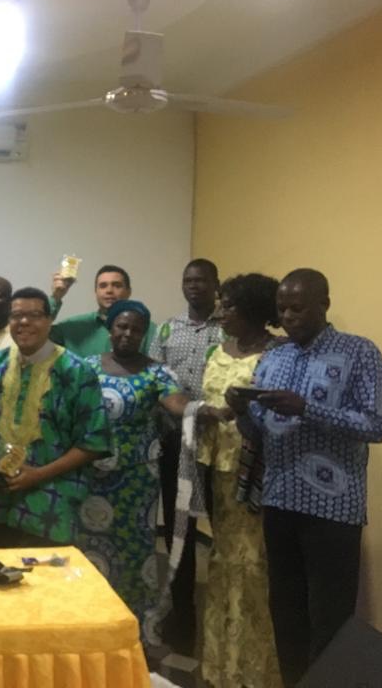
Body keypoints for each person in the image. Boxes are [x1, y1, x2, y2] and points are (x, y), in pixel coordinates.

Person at [228, 268, 382, 686]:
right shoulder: (275, 357)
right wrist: (245, 411)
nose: (288, 316)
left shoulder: (360, 353)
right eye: (281, 309)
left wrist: (307, 408)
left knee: (330, 619)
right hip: (279, 500)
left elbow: (375, 425)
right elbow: (260, 432)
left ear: (324, 305)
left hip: (333, 508)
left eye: (297, 308)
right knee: (287, 613)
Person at [76, 300, 188, 643]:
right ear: (110, 329)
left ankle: (132, 626)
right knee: (87, 546)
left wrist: (206, 410)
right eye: (121, 327)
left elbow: (178, 405)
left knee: (134, 549)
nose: (127, 334)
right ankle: (87, 621)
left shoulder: (157, 372)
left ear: (144, 334)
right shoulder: (86, 367)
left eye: (136, 329)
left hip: (137, 482)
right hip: (91, 478)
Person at [0, 286, 111, 549]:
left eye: (33, 315)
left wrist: (39, 474)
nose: (24, 322)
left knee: (44, 584)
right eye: (16, 315)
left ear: (49, 320)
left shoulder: (76, 372)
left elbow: (94, 442)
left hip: (50, 503)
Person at [196, 274, 281, 688]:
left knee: (254, 567)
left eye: (228, 306)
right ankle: (221, 664)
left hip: (258, 473)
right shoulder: (217, 350)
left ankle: (254, 669)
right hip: (218, 470)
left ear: (252, 310)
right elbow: (203, 400)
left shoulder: (277, 354)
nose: (220, 313)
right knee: (223, 561)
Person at [148, 258, 224, 654]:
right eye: (188, 280)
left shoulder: (231, 328)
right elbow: (154, 383)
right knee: (181, 531)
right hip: (175, 442)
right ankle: (182, 615)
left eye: (201, 281)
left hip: (219, 444)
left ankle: (225, 619)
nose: (194, 287)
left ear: (216, 285)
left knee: (223, 530)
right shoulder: (166, 330)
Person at [51, 264, 157, 357]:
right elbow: (37, 338)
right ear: (96, 292)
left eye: (117, 285)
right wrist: (56, 297)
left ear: (128, 291)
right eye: (103, 286)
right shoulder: (70, 328)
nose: (109, 290)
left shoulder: (149, 330)